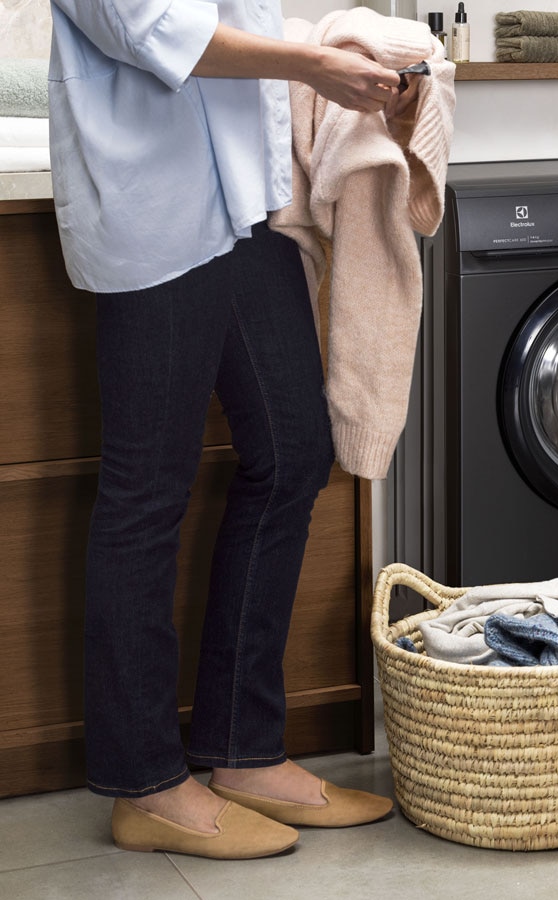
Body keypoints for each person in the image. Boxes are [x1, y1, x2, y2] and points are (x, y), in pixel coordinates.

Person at [47, 1, 401, 859]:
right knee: (147, 493)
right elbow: (156, 29)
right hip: (155, 207)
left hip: (245, 201)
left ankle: (245, 753)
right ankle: (145, 787)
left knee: (294, 452)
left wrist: (330, 49)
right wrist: (312, 66)